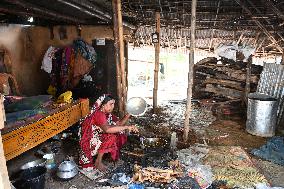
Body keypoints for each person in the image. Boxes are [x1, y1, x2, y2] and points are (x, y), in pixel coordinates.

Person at [79, 94, 138, 171]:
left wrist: (128, 114)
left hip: (98, 136)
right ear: (103, 105)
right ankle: (98, 161)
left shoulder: (108, 115)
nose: (113, 106)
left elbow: (118, 124)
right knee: (112, 136)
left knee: (118, 133)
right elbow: (107, 129)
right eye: (111, 104)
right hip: (89, 140)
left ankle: (106, 155)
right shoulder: (99, 114)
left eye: (113, 104)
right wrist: (127, 127)